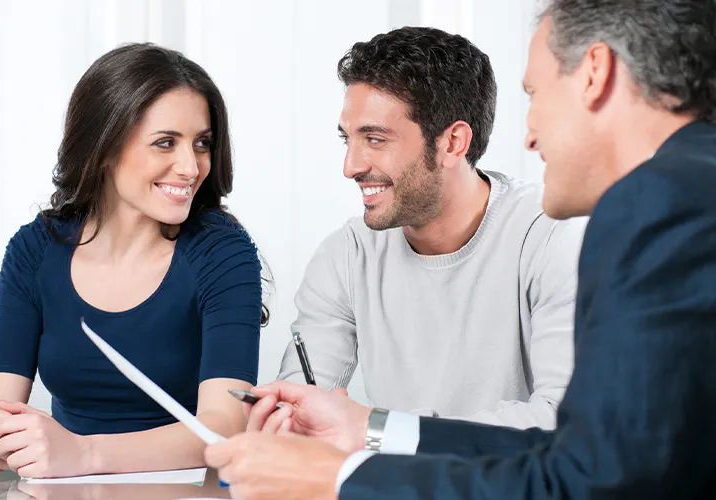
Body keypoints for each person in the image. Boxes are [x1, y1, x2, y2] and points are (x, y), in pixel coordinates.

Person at [204, 0, 716, 498]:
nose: (529, 136)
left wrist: (342, 478)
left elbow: (586, 472)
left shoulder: (652, 207)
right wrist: (367, 428)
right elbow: (595, 455)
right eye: (348, 139)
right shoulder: (684, 190)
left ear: (594, 72)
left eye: (535, 94)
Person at [0, 43, 268, 479]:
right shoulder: (34, 249)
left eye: (202, 143)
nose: (191, 166)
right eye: (166, 143)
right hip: (63, 484)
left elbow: (226, 425)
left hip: (184, 486)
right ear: (104, 147)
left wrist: (84, 454)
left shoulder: (223, 252)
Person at [277, 26, 586, 429]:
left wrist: (377, 431)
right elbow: (301, 412)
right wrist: (288, 421)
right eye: (348, 140)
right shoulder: (348, 256)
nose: (350, 166)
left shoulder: (552, 237)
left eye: (374, 139)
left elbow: (564, 417)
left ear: (453, 143)